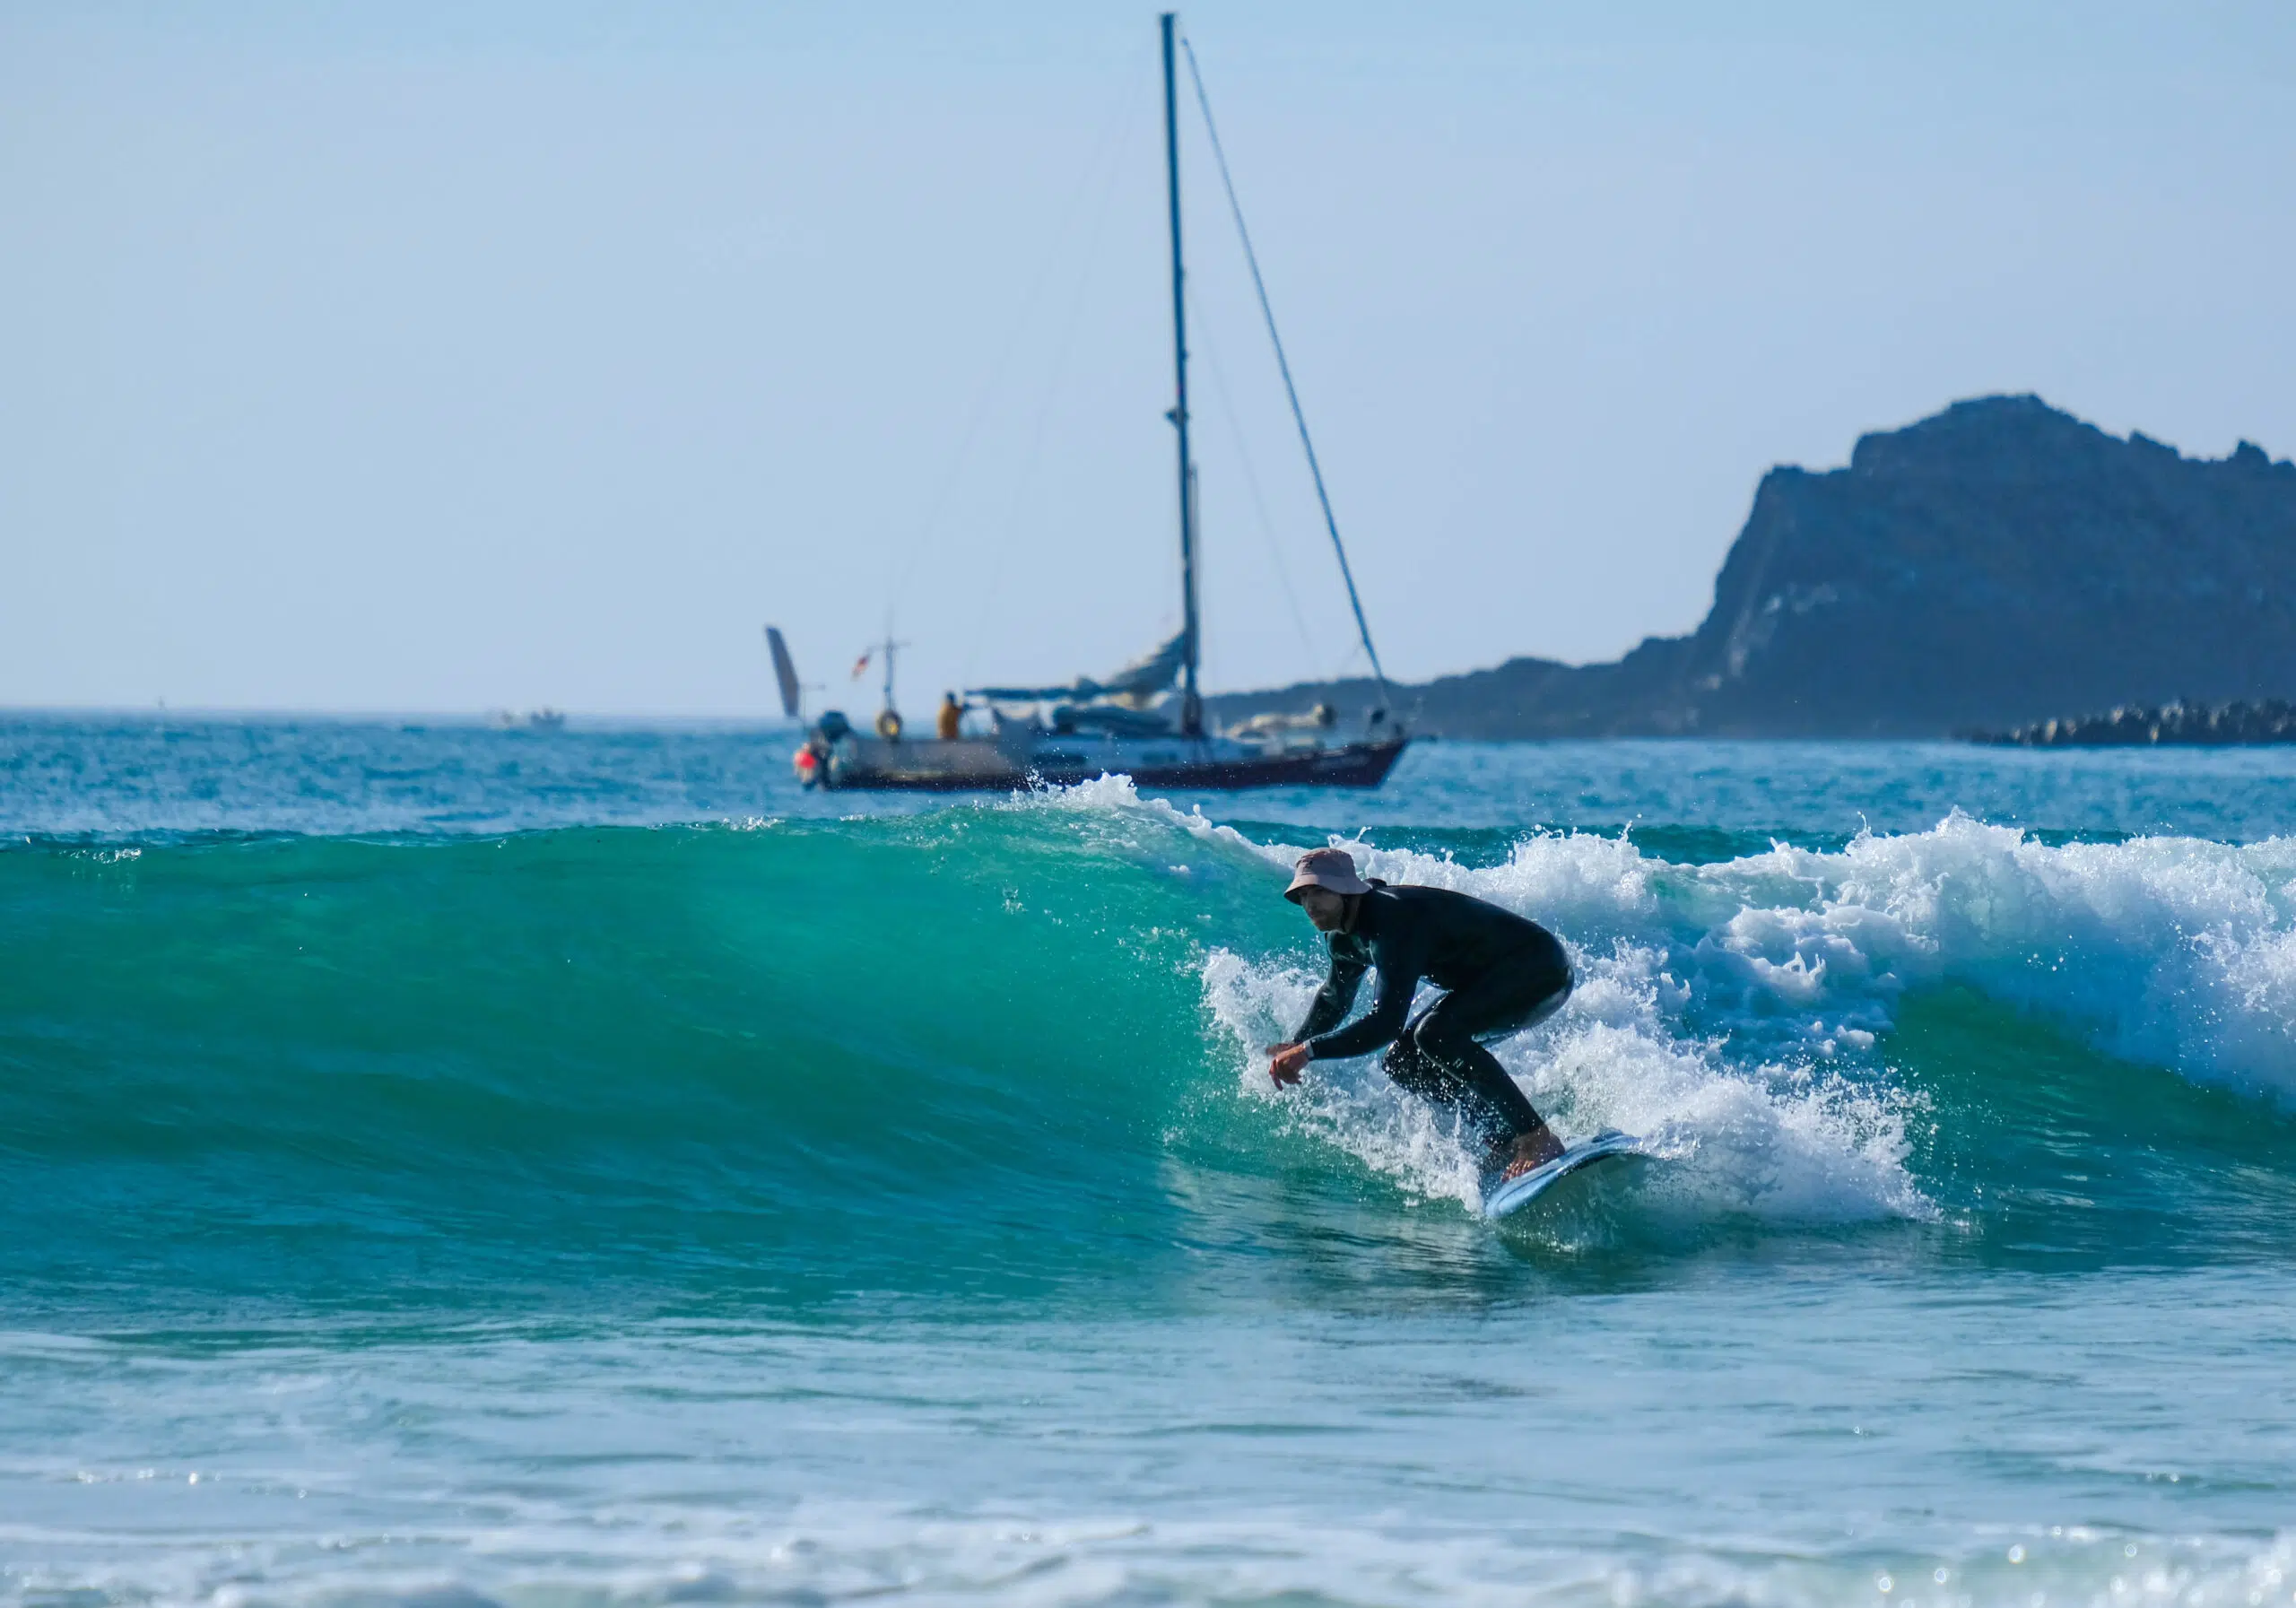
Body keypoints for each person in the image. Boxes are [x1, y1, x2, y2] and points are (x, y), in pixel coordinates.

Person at [1266, 847, 1571, 1181]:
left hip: (1539, 967)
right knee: (1402, 1060)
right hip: (1487, 980)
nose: (1311, 905)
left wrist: (1311, 1051)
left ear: (1346, 890)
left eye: (1320, 892)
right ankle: (1504, 1138)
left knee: (1437, 1034)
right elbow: (1334, 999)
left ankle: (1536, 1137)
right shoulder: (1341, 937)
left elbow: (1386, 1022)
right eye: (1305, 894)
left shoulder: (1391, 918)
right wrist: (1296, 1044)